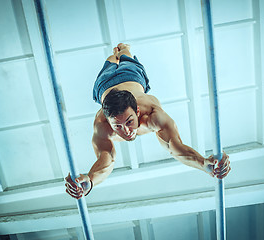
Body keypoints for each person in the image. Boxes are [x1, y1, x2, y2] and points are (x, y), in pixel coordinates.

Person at [65, 43, 231, 199]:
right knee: (109, 62)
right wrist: (90, 180)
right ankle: (113, 54)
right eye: (118, 126)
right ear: (109, 123)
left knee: (125, 56)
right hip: (104, 83)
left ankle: (122, 49)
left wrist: (204, 164)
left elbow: (175, 147)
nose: (126, 131)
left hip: (131, 74)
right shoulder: (101, 124)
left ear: (137, 111)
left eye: (129, 122)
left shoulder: (153, 115)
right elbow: (106, 158)